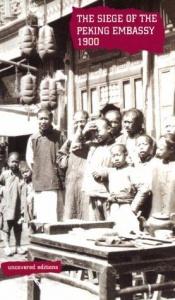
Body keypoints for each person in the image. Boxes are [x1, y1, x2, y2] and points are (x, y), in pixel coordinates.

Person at [92, 144, 148, 235]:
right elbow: (102, 173)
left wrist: (133, 208)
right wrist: (97, 175)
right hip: (113, 207)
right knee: (114, 231)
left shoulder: (131, 171)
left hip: (126, 206)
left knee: (128, 232)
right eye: (113, 156)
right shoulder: (112, 171)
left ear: (125, 155)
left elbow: (144, 189)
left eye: (118, 155)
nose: (116, 158)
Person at [26, 108, 64, 223]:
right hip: (40, 182)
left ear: (51, 119)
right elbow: (30, 160)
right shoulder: (33, 138)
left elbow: (65, 156)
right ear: (37, 120)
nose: (43, 121)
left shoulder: (60, 136)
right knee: (42, 217)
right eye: (40, 119)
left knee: (56, 217)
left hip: (56, 181)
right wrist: (39, 173)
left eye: (46, 118)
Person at [73, 117, 115, 221]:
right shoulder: (92, 147)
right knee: (96, 228)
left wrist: (105, 173)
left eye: (98, 131)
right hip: (92, 192)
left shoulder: (116, 147)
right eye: (94, 132)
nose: (96, 134)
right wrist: (83, 133)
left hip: (108, 195)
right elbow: (75, 148)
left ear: (109, 129)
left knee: (111, 225)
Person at [57, 111, 89, 220]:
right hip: (72, 180)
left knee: (87, 212)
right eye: (77, 122)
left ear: (87, 121)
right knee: (71, 210)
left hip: (86, 180)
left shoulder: (93, 138)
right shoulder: (70, 139)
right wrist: (68, 158)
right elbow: (60, 158)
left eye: (82, 121)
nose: (79, 124)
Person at [0, 152, 24, 256]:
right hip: (7, 206)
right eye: (12, 161)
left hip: (18, 206)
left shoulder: (21, 175)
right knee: (6, 228)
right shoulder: (4, 175)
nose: (14, 164)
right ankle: (7, 246)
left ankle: (18, 246)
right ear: (8, 162)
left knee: (18, 227)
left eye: (16, 162)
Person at [20, 161, 34, 230]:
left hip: (33, 202)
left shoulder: (34, 181)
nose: (25, 174)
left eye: (26, 171)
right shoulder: (23, 183)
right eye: (23, 173)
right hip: (27, 204)